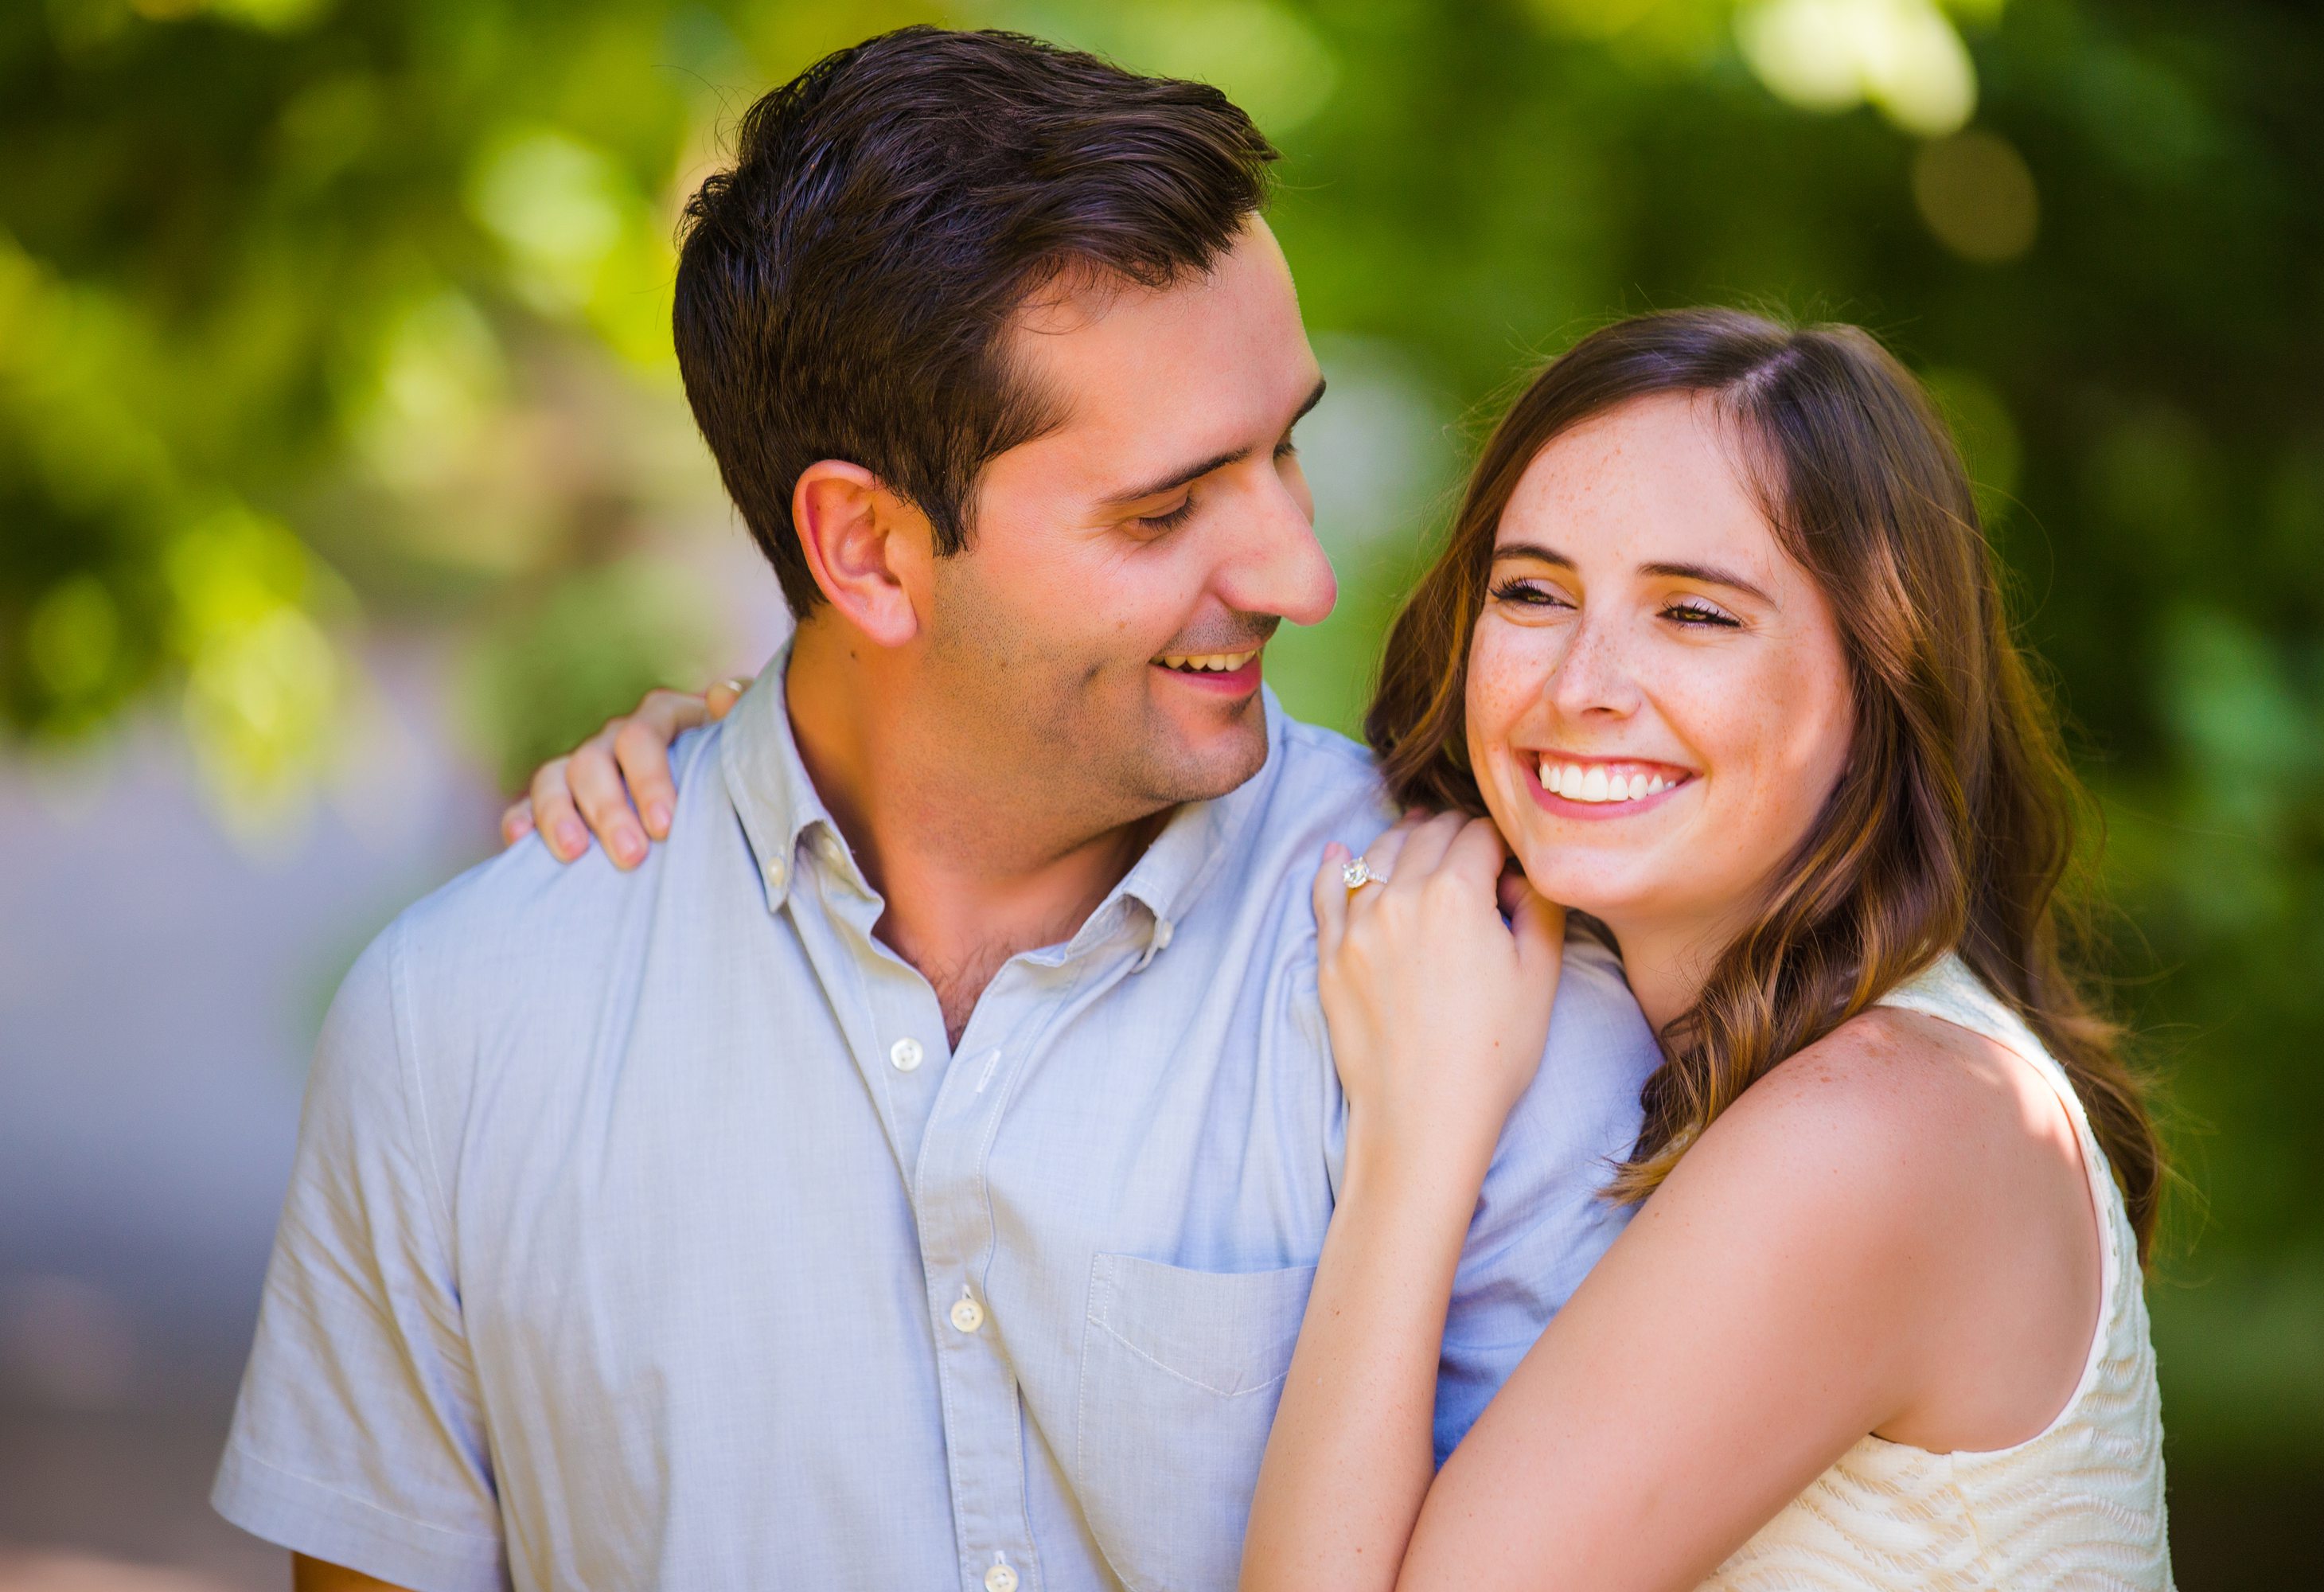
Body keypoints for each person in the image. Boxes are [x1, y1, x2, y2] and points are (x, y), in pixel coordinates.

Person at [213, 27, 1655, 1592]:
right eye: (1165, 507)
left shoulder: (1476, 972)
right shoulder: (464, 1023)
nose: (1298, 576)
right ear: (868, 551)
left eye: (1282, 449)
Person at [555, 310, 2174, 1588]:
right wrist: (751, 769)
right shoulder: (1690, 1023)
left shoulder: (1888, 1124)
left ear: (1883, 678)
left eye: (1696, 614)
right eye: (1535, 594)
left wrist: (1417, 1132)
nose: (1585, 681)